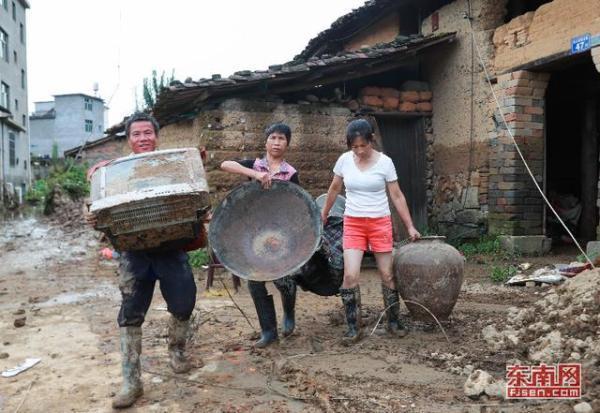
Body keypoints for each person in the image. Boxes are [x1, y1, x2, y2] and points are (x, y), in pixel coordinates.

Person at [85, 112, 206, 409]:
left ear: (156, 136)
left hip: (171, 250)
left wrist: (200, 211)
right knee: (130, 315)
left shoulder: (173, 167)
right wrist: (90, 216)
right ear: (128, 140)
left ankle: (176, 354)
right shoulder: (115, 173)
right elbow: (97, 209)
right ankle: (131, 381)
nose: (143, 139)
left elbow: (196, 199)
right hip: (133, 254)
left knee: (183, 305)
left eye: (147, 133)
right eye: (136, 134)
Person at [320, 119, 420, 343]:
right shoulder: (344, 161)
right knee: (350, 275)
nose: (359, 151)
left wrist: (410, 226)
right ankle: (354, 327)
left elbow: (396, 195)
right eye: (354, 147)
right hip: (353, 223)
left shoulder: (385, 163)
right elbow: (335, 187)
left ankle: (393, 321)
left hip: (379, 222)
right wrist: (324, 212)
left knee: (386, 274)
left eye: (362, 146)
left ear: (371, 140)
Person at [220, 123, 299, 348]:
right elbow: (225, 164)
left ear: (287, 144)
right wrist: (255, 174)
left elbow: (298, 205)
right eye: (272, 137)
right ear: (266, 141)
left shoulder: (291, 173)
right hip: (255, 233)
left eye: (281, 138)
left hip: (281, 233)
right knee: (254, 280)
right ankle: (268, 331)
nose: (276, 142)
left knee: (284, 279)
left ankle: (289, 313)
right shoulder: (254, 164)